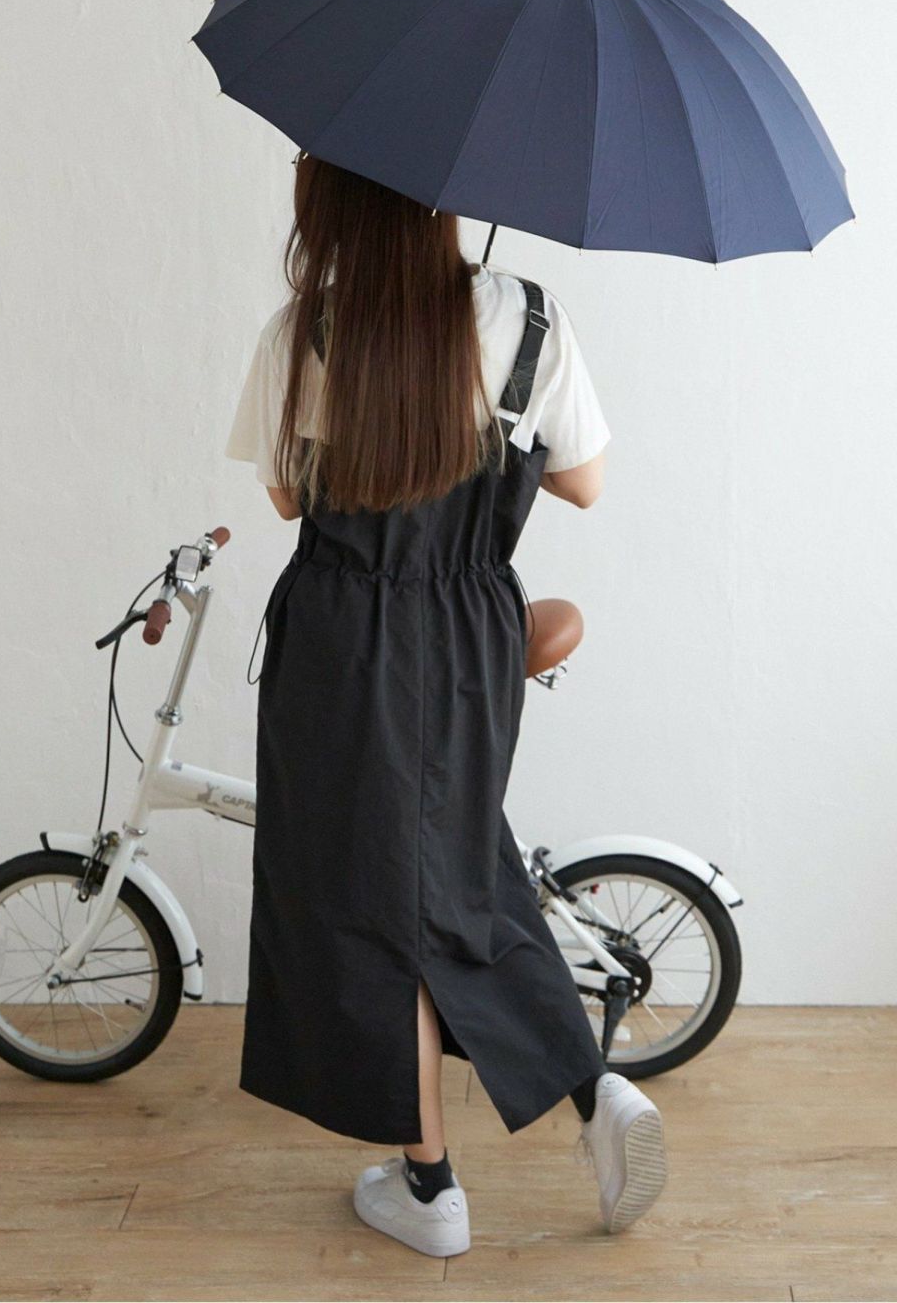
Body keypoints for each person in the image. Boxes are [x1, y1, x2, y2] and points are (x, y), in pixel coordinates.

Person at [224, 155, 668, 1256]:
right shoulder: (528, 317)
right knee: (447, 863)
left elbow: (284, 496)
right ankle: (592, 1094)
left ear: (332, 199)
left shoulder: (305, 331)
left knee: (367, 894)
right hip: (470, 633)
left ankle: (432, 1189)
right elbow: (585, 482)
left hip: (343, 635)